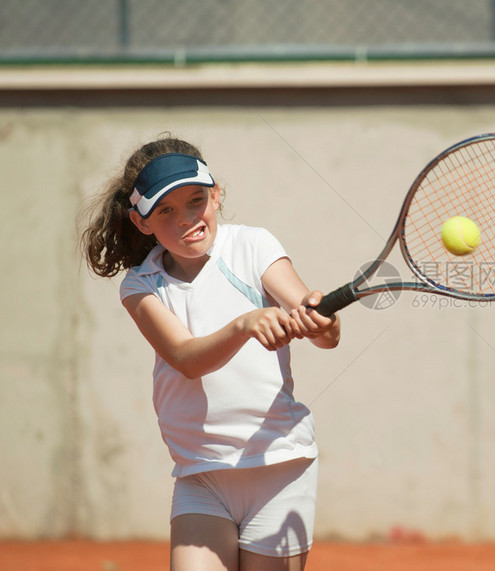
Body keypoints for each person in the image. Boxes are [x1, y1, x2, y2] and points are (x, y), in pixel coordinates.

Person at [80, 136, 340, 571]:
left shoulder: (253, 246)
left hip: (280, 468)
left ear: (216, 196)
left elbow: (323, 332)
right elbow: (184, 358)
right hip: (201, 474)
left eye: (196, 201)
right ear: (141, 222)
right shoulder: (141, 285)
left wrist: (321, 321)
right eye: (166, 210)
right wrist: (245, 324)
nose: (186, 219)